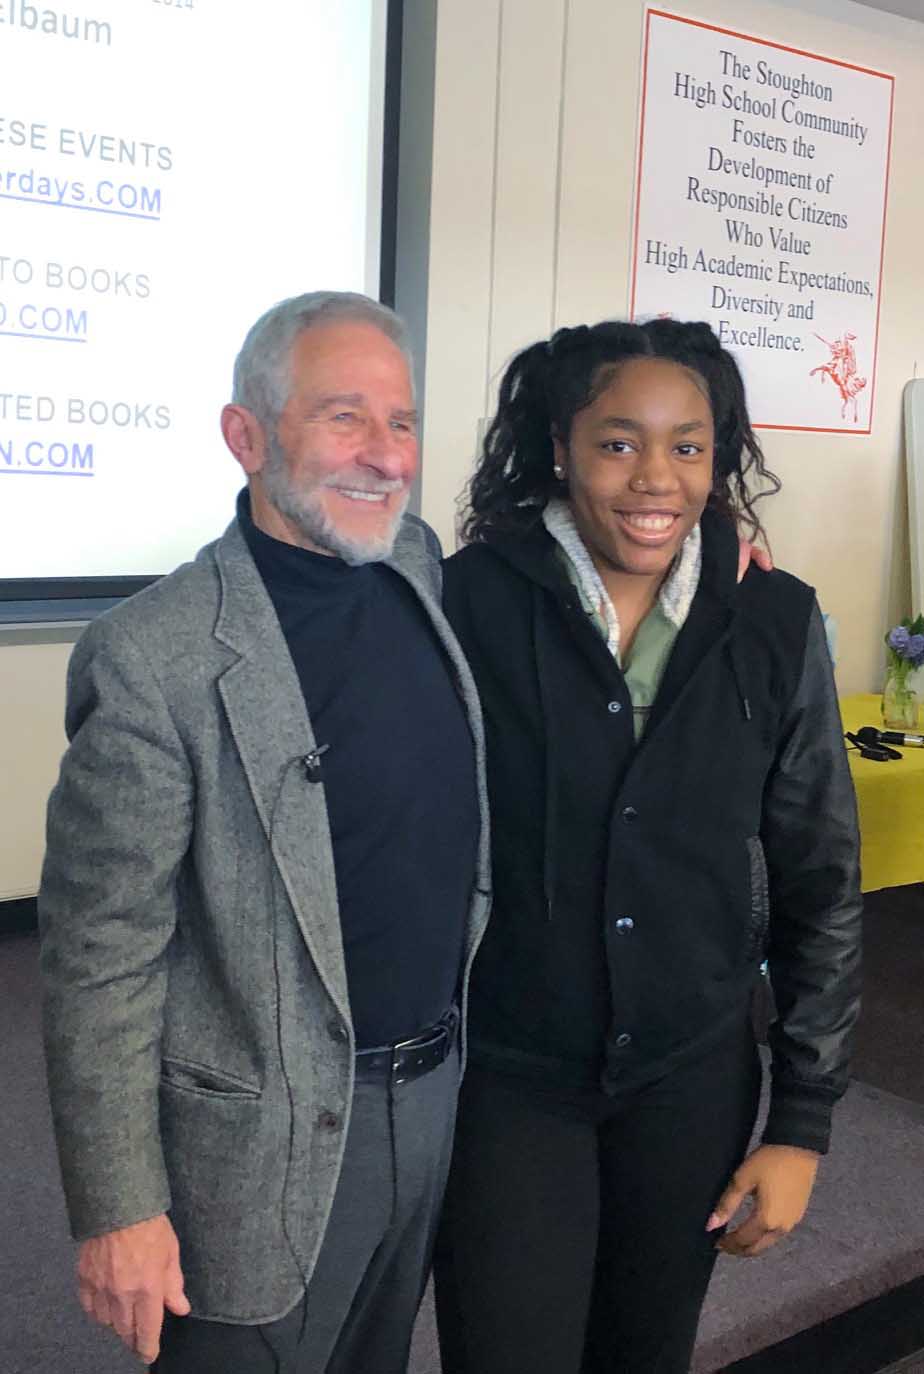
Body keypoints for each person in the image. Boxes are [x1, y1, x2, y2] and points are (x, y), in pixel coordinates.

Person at [37, 291, 491, 1373]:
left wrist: (715, 541)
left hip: (434, 1098)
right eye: (344, 416)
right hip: (257, 1146)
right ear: (245, 436)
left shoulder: (416, 564)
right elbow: (101, 957)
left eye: (401, 422)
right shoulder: (154, 655)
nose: (385, 454)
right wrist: (119, 1208)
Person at [434, 318, 862, 1373]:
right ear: (560, 449)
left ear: (719, 460)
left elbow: (820, 880)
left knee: (645, 1353)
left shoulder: (774, 620)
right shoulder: (468, 600)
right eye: (618, 443)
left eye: (689, 446)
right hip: (510, 1078)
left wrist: (801, 1122)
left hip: (690, 1081)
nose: (655, 478)